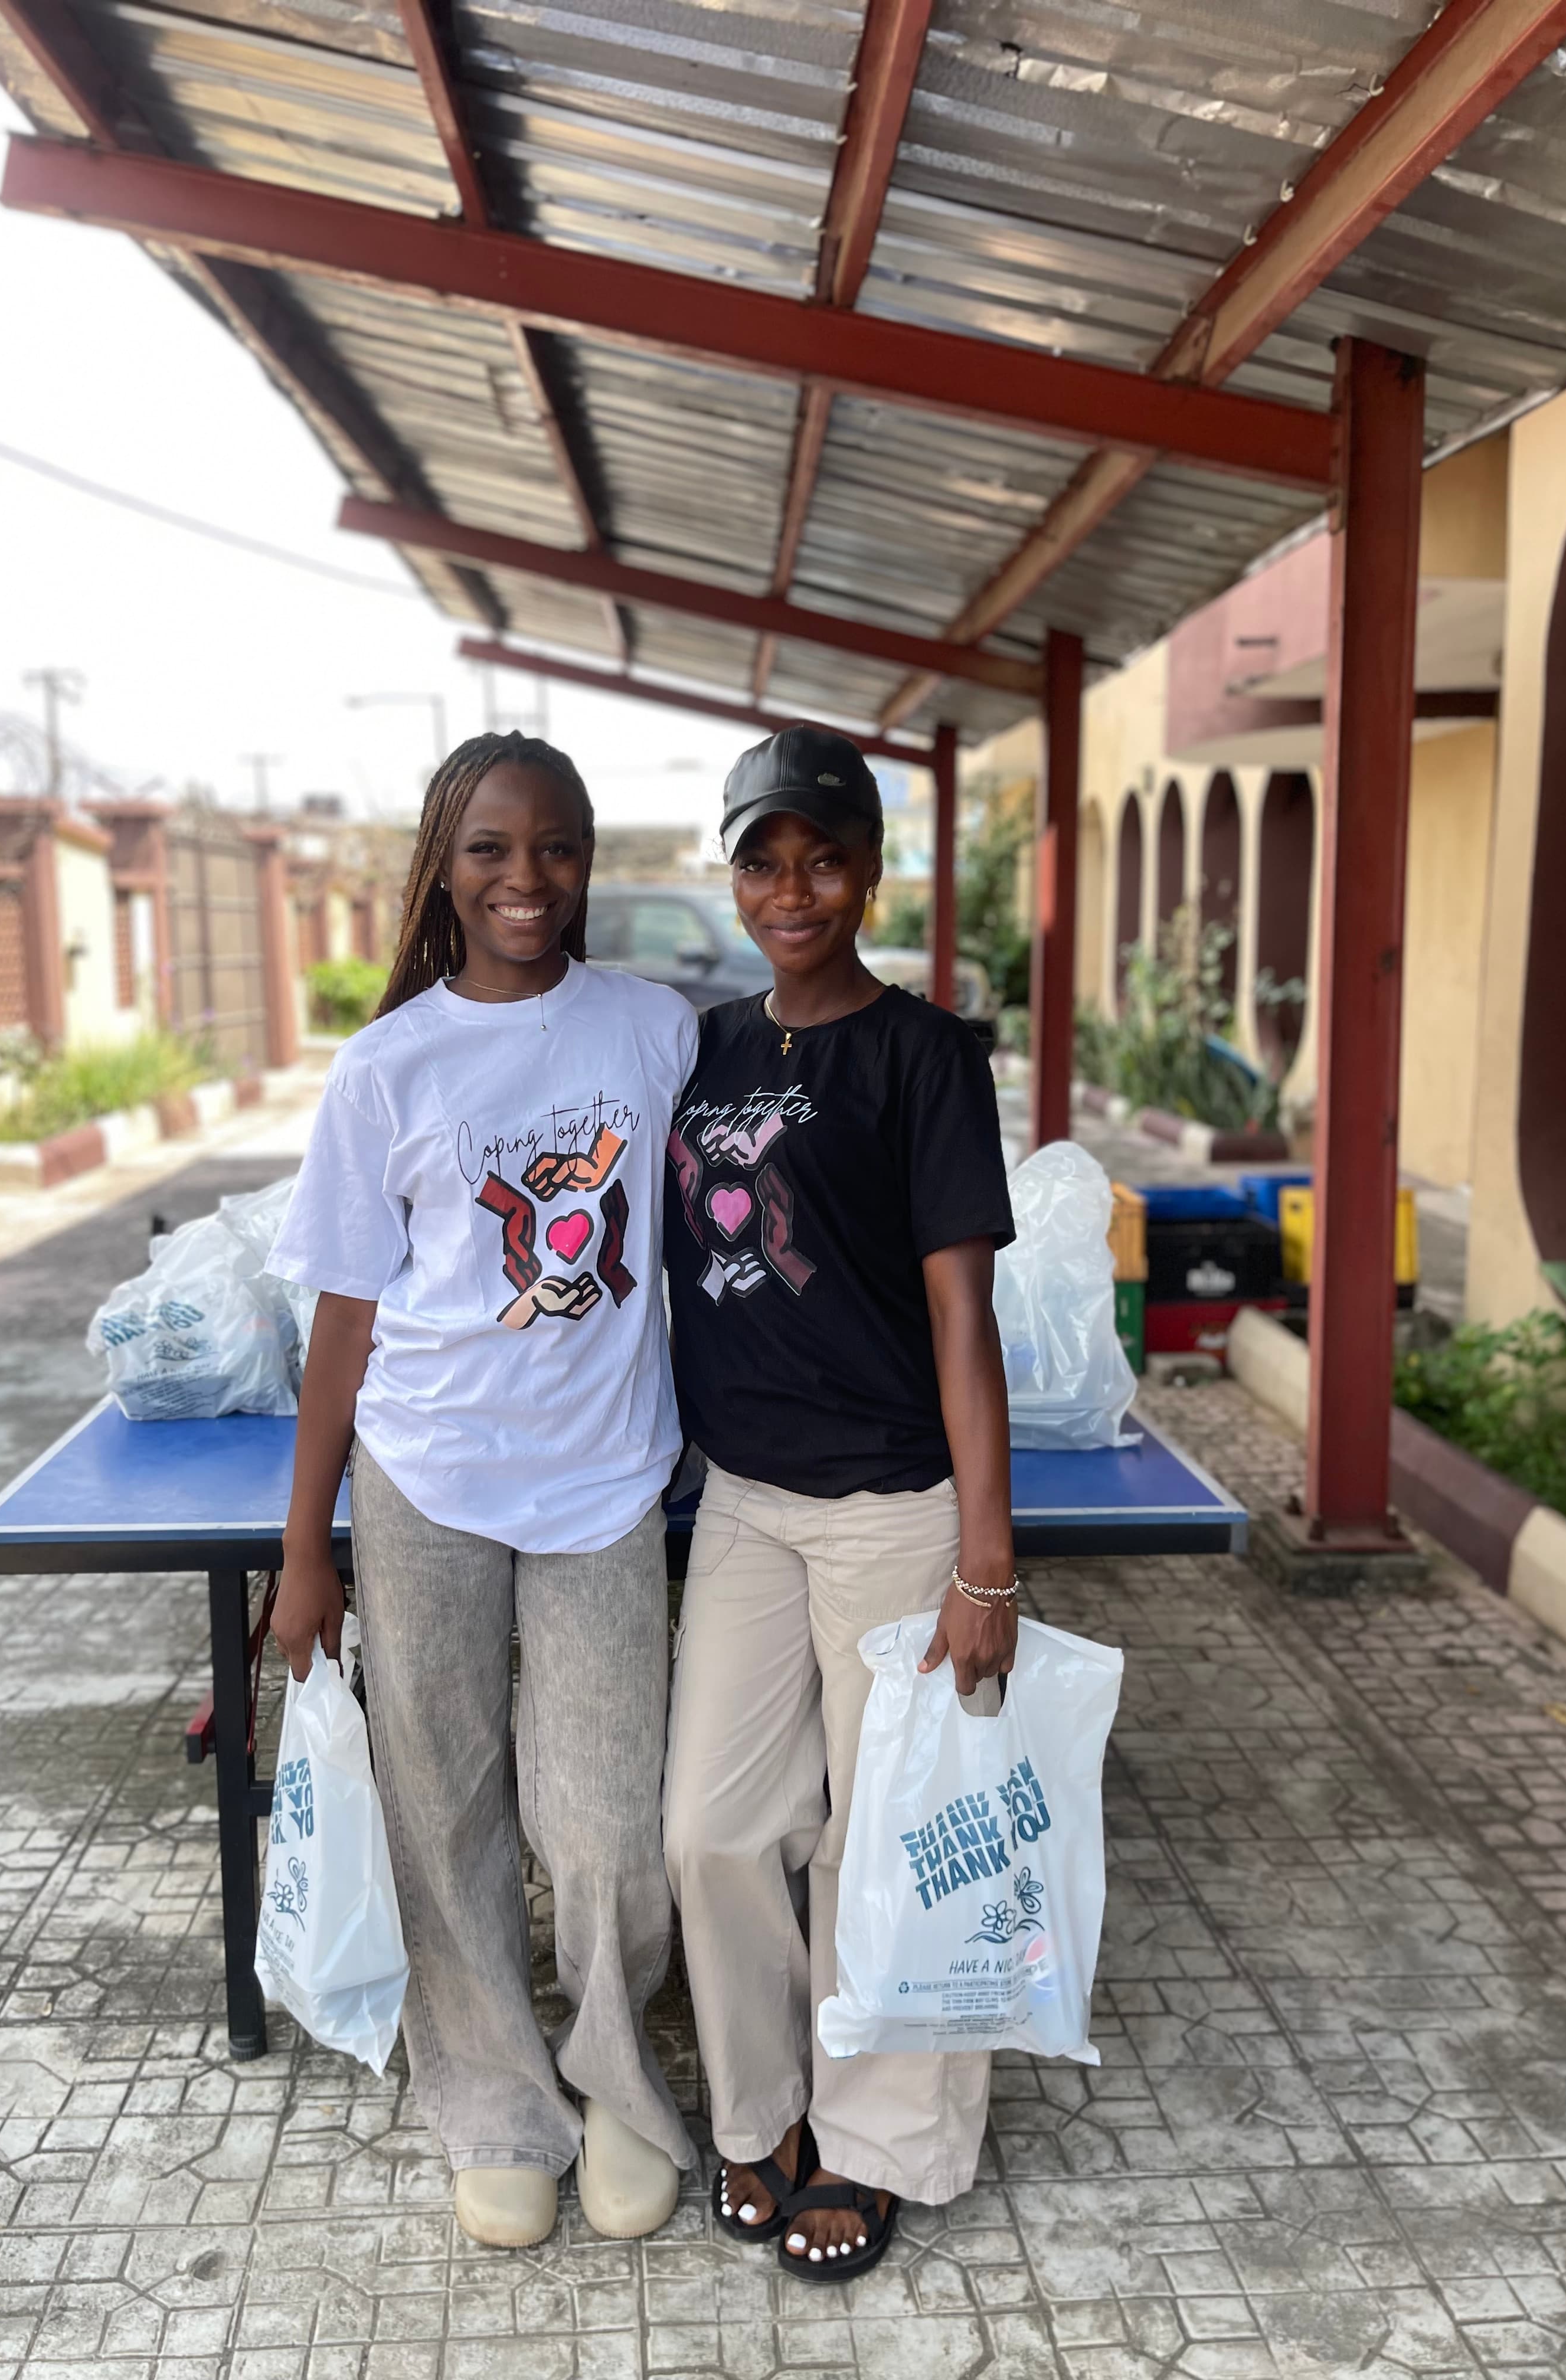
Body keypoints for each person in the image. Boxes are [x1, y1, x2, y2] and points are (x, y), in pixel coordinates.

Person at [267, 730, 698, 2251]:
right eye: (493, 851)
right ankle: (499, 2108)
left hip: (604, 1484)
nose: (529, 880)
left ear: (590, 863)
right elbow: (346, 1318)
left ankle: (622, 2091)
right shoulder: (388, 1067)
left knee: (602, 1824)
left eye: (559, 848)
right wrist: (306, 1544)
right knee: (444, 1810)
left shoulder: (653, 1033)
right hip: (426, 1479)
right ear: (443, 867)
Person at [661, 724, 1018, 2281]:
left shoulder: (927, 1057)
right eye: (763, 859)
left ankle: (878, 2144)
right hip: (741, 1500)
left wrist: (986, 1562)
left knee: (886, 1840)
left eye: (820, 857)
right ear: (734, 878)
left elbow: (963, 1320)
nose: (791, 887)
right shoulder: (705, 1047)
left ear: (869, 870)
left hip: (893, 1509)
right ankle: (763, 2108)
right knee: (715, 1830)